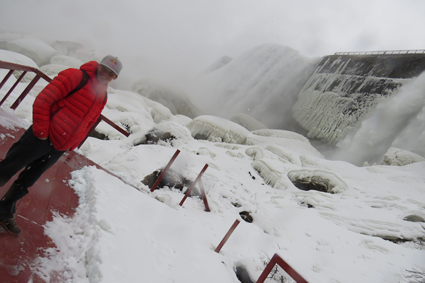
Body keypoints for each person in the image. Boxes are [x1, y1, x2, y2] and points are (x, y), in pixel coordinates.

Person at [0, 55, 123, 235]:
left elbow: (90, 121)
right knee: (8, 167)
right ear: (98, 66)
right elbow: (44, 100)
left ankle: (4, 212)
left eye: (111, 73)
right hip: (40, 137)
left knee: (27, 181)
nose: (106, 74)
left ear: (114, 78)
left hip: (59, 146)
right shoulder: (75, 76)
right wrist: (42, 132)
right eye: (104, 68)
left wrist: (71, 144)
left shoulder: (102, 95)